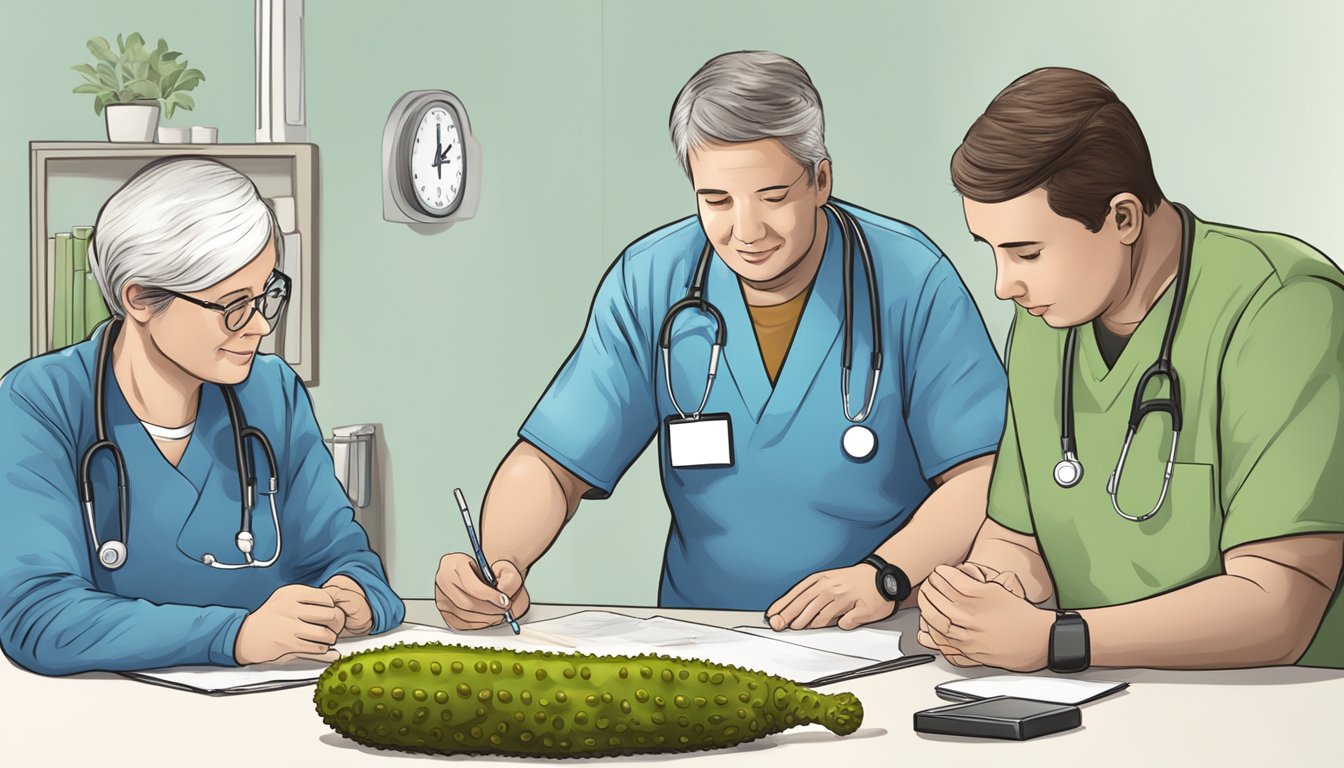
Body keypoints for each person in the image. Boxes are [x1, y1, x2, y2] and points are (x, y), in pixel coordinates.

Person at [435, 51, 1006, 632]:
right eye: (717, 201)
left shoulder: (911, 278)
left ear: (821, 180)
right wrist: (498, 565)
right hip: (702, 638)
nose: (747, 230)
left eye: (773, 196)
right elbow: (554, 465)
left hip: (879, 632)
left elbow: (982, 474)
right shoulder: (651, 282)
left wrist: (886, 576)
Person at [917, 67, 1344, 671]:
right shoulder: (1046, 323)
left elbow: (1279, 607)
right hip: (1094, 696)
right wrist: (982, 595)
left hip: (1279, 707)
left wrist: (1056, 640)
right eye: (990, 250)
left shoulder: (1283, 305)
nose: (1003, 284)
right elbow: (1018, 538)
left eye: (1026, 252)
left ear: (1123, 218)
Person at [0, 157, 404, 676]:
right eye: (233, 304)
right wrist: (234, 635)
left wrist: (355, 597)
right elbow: (38, 617)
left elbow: (346, 558)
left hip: (276, 709)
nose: (258, 326)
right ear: (141, 298)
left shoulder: (271, 391)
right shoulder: (42, 400)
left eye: (266, 296)